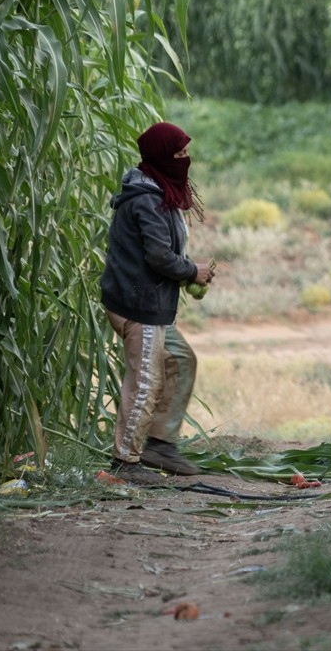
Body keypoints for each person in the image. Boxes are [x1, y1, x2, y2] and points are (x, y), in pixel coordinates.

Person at [99, 122, 216, 484]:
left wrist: (186, 271)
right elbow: (158, 257)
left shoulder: (157, 191)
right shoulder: (147, 200)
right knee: (145, 382)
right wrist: (190, 271)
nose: (185, 160)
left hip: (151, 305)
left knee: (180, 361)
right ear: (162, 157)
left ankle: (160, 445)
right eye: (178, 154)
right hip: (138, 306)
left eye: (185, 153)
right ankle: (125, 464)